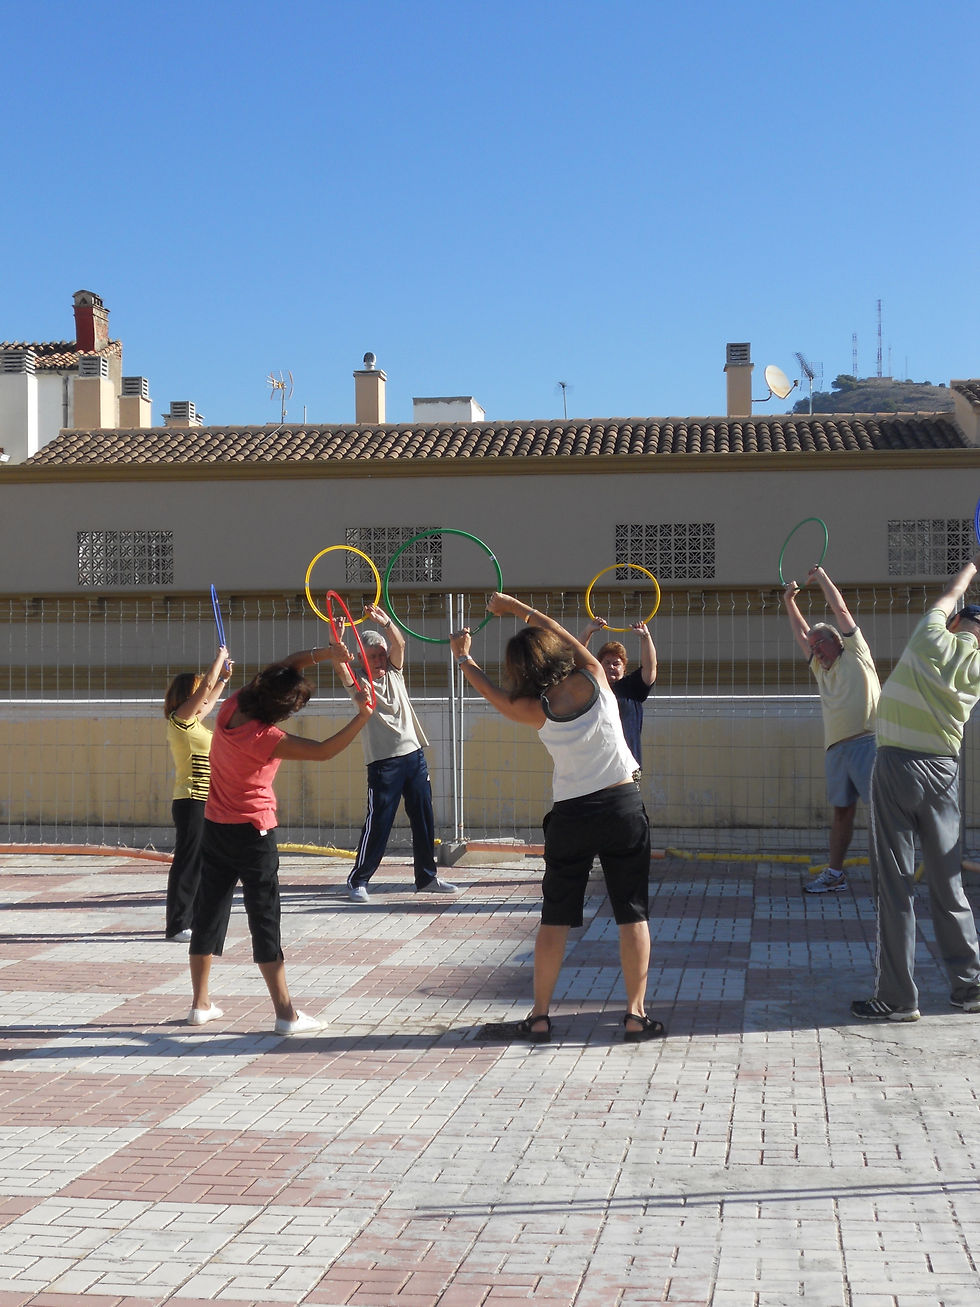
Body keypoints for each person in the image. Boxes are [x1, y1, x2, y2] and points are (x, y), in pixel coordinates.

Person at [450, 592, 663, 1044]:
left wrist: (464, 659)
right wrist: (514, 606)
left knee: (554, 919)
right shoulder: (594, 675)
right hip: (622, 805)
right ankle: (635, 1016)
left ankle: (541, 1016)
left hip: (571, 815)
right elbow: (560, 630)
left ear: (521, 671)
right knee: (633, 913)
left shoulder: (535, 708)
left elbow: (493, 695)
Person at [187, 642, 373, 1033]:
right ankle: (286, 1014)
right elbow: (323, 752)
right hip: (254, 834)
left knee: (208, 913)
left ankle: (200, 1005)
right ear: (281, 712)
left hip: (215, 827)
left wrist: (327, 653)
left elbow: (286, 665)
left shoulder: (232, 705)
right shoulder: (266, 737)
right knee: (265, 919)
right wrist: (362, 716)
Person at [851, 555, 980, 1022]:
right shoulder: (978, 666)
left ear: (960, 622)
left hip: (897, 765)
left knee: (895, 883)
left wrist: (970, 568)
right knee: (949, 881)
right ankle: (969, 987)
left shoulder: (930, 637)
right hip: (944, 770)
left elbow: (945, 599)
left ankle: (898, 997)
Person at [336, 603, 458, 902]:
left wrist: (386, 622)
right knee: (379, 821)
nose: (380, 659)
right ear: (363, 658)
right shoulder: (359, 684)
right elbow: (340, 665)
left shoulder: (394, 673)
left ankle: (427, 878)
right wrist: (335, 638)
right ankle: (358, 880)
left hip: (413, 754)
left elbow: (400, 643)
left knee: (424, 817)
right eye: (373, 655)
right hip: (383, 762)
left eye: (381, 653)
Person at [783, 565, 880, 893]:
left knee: (882, 812)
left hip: (869, 742)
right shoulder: (820, 669)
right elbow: (800, 632)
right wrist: (789, 601)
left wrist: (821, 578)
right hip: (836, 748)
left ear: (836, 640)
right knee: (842, 813)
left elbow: (839, 608)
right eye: (812, 648)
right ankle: (835, 873)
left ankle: (894, 874)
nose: (815, 650)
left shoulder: (856, 652)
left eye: (819, 644)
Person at [163, 645, 232, 941]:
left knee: (206, 862)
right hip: (190, 800)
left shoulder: (195, 723)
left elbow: (208, 698)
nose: (203, 700)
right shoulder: (179, 720)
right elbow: (203, 690)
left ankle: (194, 918)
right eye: (197, 693)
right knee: (188, 862)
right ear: (186, 696)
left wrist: (223, 680)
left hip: (207, 801)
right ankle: (178, 924)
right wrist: (218, 659)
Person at [579, 618, 657, 777]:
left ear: (624, 668)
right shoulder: (592, 687)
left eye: (616, 663)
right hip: (596, 765)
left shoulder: (632, 687)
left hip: (627, 767)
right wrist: (587, 631)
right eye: (606, 663)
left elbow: (650, 667)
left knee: (627, 802)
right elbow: (575, 662)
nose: (611, 667)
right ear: (599, 665)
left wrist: (645, 637)